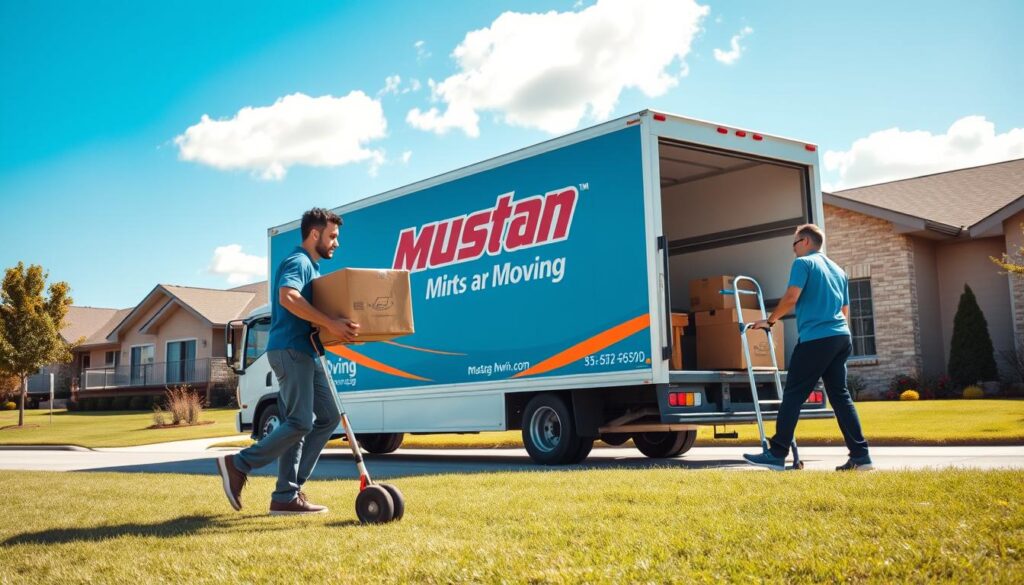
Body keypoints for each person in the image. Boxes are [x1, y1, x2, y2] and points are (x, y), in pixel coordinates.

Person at [217, 208, 360, 514]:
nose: (336, 243)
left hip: (308, 351)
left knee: (327, 416)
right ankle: (238, 464)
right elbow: (287, 297)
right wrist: (331, 323)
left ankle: (286, 494)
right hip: (291, 350)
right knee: (299, 421)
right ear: (314, 234)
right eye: (332, 236)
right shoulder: (299, 262)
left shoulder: (314, 268)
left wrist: (336, 326)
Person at [742, 224, 872, 471]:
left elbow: (791, 297)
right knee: (840, 397)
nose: (793, 251)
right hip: (841, 337)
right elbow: (845, 311)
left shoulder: (803, 264)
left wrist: (769, 320)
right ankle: (861, 456)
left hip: (817, 339)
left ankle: (777, 453)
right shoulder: (838, 270)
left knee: (793, 394)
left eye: (794, 244)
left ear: (804, 242)